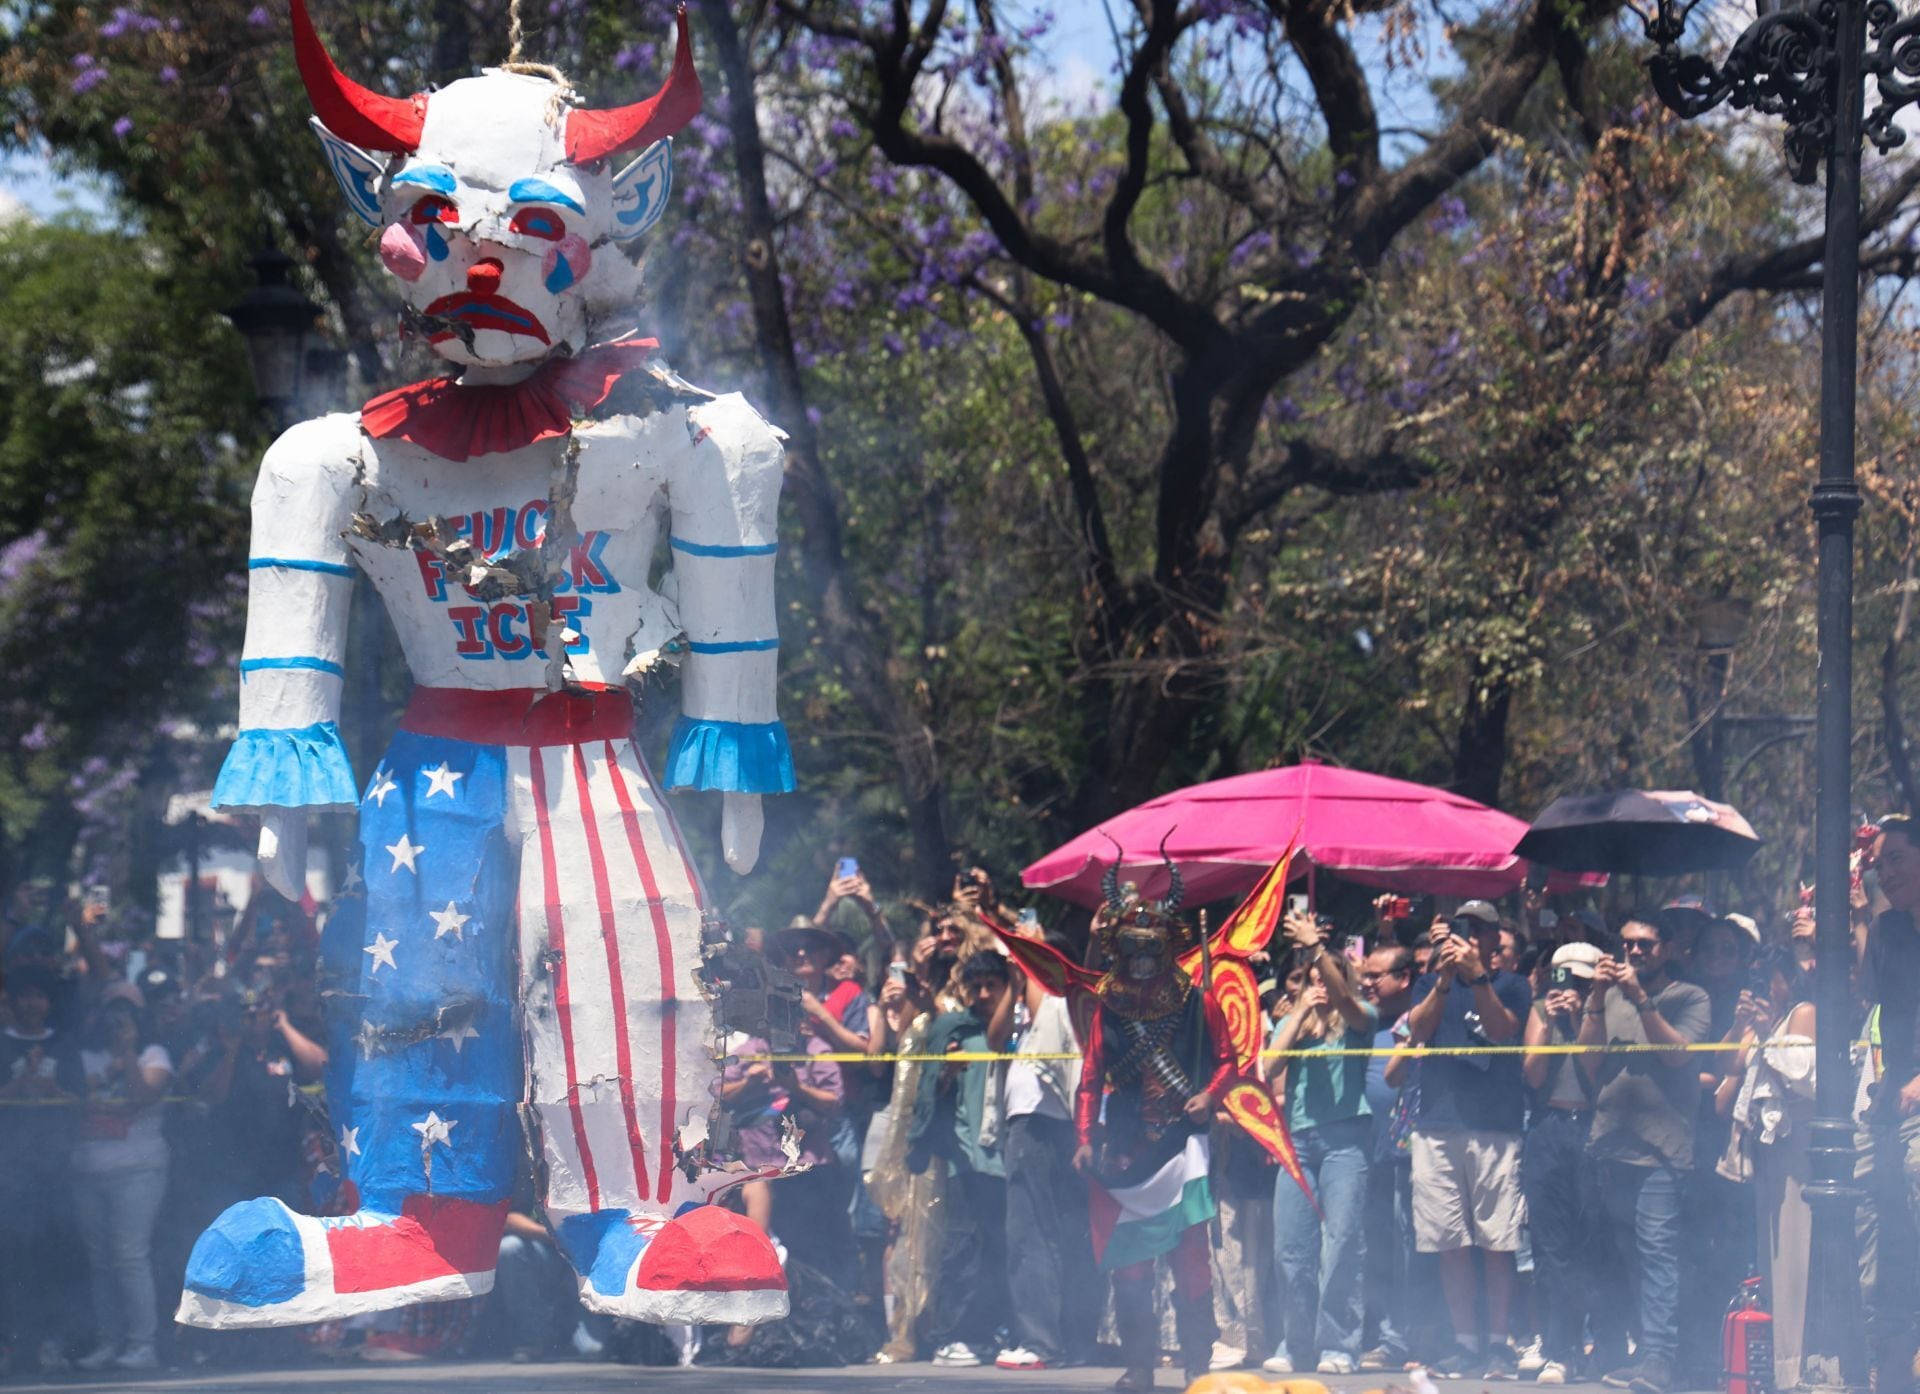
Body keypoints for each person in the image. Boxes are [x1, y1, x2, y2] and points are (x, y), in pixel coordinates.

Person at [1073, 869, 1237, 1391]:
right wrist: (1084, 1138)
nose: (1142, 957)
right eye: (1132, 946)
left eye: (1151, 947)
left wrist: (1210, 1095)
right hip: (1126, 1150)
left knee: (1191, 1259)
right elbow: (1090, 1078)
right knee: (1132, 1263)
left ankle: (1197, 1365)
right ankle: (1140, 1367)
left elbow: (1228, 1061)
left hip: (1184, 1147)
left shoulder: (1198, 1002)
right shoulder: (1108, 1008)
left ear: (1167, 948)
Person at [1577, 914, 1711, 1394]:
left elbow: (1678, 1054)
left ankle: (1661, 1358)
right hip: (1610, 1144)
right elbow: (1587, 1060)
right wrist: (1596, 998)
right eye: (1627, 944)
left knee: (1658, 1254)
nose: (1634, 952)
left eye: (1646, 945)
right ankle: (1643, 1351)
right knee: (1627, 1256)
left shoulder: (1691, 997)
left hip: (1662, 1151)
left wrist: (1640, 998)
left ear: (1668, 949)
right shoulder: (1607, 999)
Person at [1400, 899, 1531, 1378]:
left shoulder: (1513, 985)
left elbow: (1501, 1031)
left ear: (1497, 938)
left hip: (1495, 1128)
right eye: (1463, 929)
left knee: (1497, 1241)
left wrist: (1477, 978)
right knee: (1449, 1241)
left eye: (1480, 930)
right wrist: (1443, 979)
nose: (1470, 938)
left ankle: (1498, 1344)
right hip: (1439, 1126)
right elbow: (1418, 1030)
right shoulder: (1430, 982)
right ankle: (1464, 1342)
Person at [1264, 913, 1377, 1376]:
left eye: (1325, 977)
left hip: (1345, 1142)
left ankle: (1338, 1345)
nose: (1318, 985)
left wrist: (1316, 950)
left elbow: (1348, 1004)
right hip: (1298, 1145)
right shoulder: (1294, 1023)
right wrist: (1297, 1013)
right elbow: (1269, 1068)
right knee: (1290, 1249)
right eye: (1310, 979)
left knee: (1343, 1243)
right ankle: (1295, 1344)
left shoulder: (1360, 1016)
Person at [993, 924, 1092, 1372]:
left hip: (1039, 1126)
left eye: (1034, 959)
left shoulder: (1058, 999)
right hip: (1040, 1124)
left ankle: (1041, 1341)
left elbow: (1042, 1002)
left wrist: (1027, 957)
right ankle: (1066, 1340)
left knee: (1030, 1233)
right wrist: (1015, 979)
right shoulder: (1034, 1001)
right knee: (1051, 1233)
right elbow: (995, 1038)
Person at [1717, 947, 1816, 1390]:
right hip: (1767, 1150)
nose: (1760, 987)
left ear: (1787, 978)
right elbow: (1727, 1064)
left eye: (1766, 977)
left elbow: (1803, 1076)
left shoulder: (1803, 1012)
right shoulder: (1764, 1022)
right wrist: (1742, 1024)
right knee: (1773, 1258)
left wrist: (1764, 1032)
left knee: (1794, 1256)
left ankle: (1794, 1368)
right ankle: (1776, 1366)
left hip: (1796, 1146)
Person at [909, 951, 1012, 1369]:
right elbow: (929, 1094)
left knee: (1001, 1250)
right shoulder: (955, 1030)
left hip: (1008, 1160)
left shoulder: (1017, 1028)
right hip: (966, 1160)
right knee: (962, 1250)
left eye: (992, 985)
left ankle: (989, 1332)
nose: (984, 994)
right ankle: (953, 1336)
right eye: (977, 987)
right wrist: (947, 1074)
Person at [72, 984, 174, 1372]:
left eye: (127, 1012)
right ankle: (108, 1341)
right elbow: (74, 1100)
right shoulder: (85, 1057)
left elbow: (144, 1094)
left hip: (138, 1169)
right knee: (100, 1261)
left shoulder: (153, 1054)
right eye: (114, 1012)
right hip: (88, 1167)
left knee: (129, 1255)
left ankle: (142, 1344)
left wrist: (127, 1051)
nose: (120, 1020)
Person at [1520, 941, 1603, 1385]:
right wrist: (1551, 1023)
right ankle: (1557, 1345)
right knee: (1550, 1246)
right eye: (1563, 978)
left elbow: (1594, 1070)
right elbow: (1532, 1075)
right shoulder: (1540, 1010)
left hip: (1591, 1127)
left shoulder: (1603, 1012)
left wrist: (1580, 1019)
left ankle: (1590, 1343)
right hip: (1549, 1127)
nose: (1569, 988)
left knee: (1588, 1241)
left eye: (1580, 982)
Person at [0, 968, 83, 1374]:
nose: (32, 1003)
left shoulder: (64, 1046)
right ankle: (10, 1344)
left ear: (49, 1003)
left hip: (54, 1171)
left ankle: (50, 1341)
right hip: (8, 1170)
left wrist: (52, 1091)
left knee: (51, 1258)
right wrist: (22, 1084)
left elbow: (82, 1101)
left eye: (39, 995)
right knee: (10, 1259)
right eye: (25, 995)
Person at [1359, 943, 1419, 1371]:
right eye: (1363, 975)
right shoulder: (1361, 1022)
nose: (1367, 983)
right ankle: (1372, 1332)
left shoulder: (1419, 1018)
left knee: (1406, 1250)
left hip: (1408, 1154)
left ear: (1404, 978)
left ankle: (1401, 1337)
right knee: (1373, 1249)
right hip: (1366, 1154)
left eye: (1375, 976)